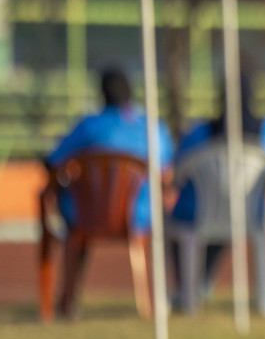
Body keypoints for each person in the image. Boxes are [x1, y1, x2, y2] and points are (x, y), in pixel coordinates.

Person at [168, 72, 265, 297]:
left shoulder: (198, 132)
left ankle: (188, 288)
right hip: (251, 213)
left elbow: (178, 173)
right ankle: (200, 284)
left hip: (198, 215)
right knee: (222, 215)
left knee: (184, 219)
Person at [45, 66, 174, 235]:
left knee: (64, 191)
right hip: (142, 216)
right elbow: (167, 171)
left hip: (86, 214)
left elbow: (52, 161)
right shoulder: (153, 127)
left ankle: (72, 257)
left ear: (102, 94)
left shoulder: (89, 125)